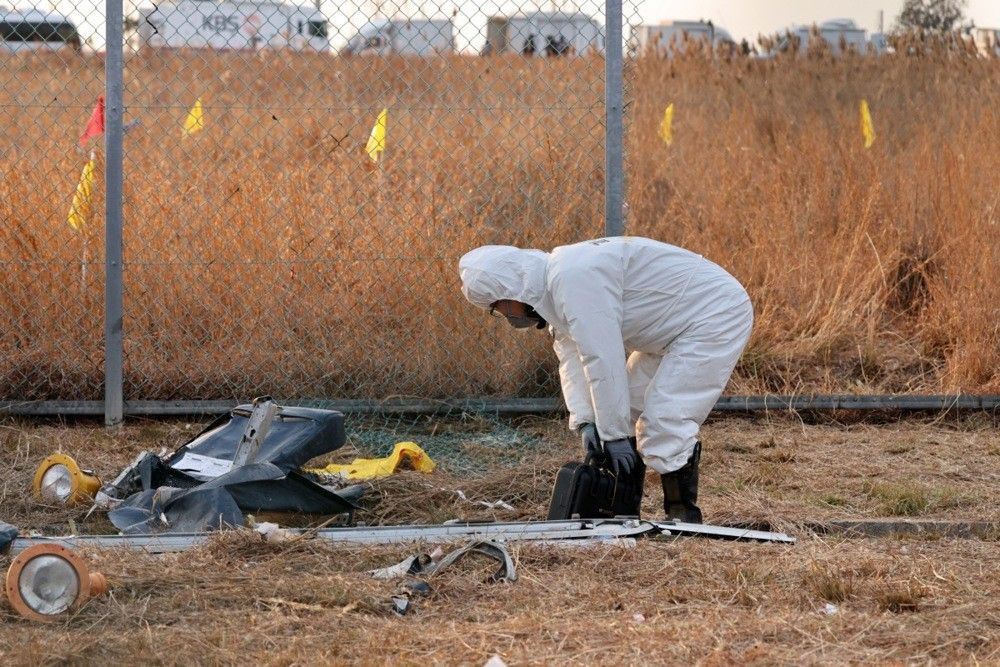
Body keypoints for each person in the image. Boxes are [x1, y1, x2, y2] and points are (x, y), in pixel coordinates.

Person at [458, 237, 753, 523]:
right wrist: (587, 421)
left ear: (511, 291)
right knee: (627, 412)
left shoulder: (573, 279)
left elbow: (602, 357)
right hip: (671, 330)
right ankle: (623, 512)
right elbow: (573, 360)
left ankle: (682, 515)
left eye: (497, 307)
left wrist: (612, 434)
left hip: (714, 315)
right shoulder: (555, 290)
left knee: (665, 419)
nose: (505, 316)